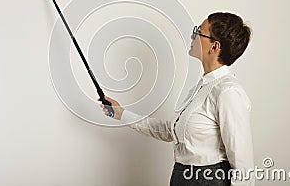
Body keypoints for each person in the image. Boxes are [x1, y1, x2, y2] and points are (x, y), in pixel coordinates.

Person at [98, 12, 255, 186]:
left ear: (215, 46)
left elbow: (243, 166)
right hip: (182, 177)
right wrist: (122, 114)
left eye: (199, 31)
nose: (193, 35)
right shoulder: (202, 87)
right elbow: (170, 131)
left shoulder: (228, 92)